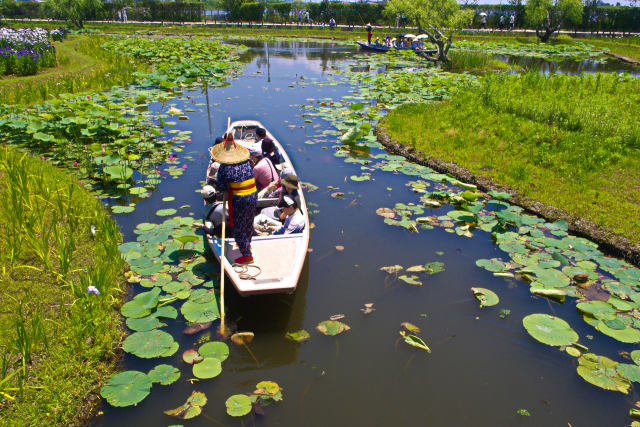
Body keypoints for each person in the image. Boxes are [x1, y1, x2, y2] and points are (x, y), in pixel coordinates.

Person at [212, 132, 257, 265]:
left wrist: (225, 185)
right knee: (248, 222)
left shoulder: (224, 167)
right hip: (253, 194)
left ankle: (247, 256)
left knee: (238, 227)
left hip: (240, 198)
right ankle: (247, 244)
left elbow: (221, 186)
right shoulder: (246, 161)